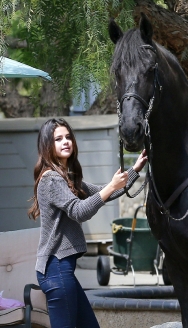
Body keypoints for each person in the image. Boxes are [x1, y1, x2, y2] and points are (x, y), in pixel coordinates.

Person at [28, 118, 147, 328]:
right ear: (48, 145)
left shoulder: (67, 178)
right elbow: (79, 211)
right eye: (58, 139)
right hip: (55, 268)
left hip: (62, 270)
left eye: (68, 137)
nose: (66, 142)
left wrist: (135, 169)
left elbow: (106, 192)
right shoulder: (52, 179)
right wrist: (110, 186)